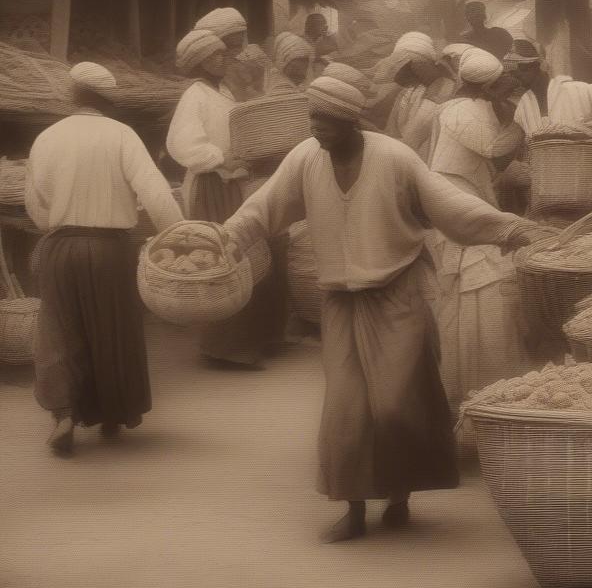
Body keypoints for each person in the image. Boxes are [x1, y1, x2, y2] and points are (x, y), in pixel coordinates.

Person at [224, 75, 548, 541]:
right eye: (312, 119)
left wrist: (509, 229)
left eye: (326, 121)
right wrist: (230, 238)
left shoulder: (394, 157)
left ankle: (399, 495)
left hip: (399, 289)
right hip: (340, 299)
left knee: (398, 403)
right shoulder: (305, 159)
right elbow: (264, 207)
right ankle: (353, 509)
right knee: (346, 409)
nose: (316, 128)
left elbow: (450, 205)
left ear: (349, 121)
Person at [26, 62, 183, 455]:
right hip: (111, 248)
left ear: (74, 95)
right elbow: (156, 193)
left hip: (60, 245)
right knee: (112, 329)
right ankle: (112, 414)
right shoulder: (122, 136)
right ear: (107, 100)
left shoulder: (47, 138)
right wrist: (179, 235)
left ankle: (63, 413)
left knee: (60, 330)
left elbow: (36, 204)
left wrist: (57, 224)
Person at [166, 29, 276, 367]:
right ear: (198, 61)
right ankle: (222, 346)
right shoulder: (195, 96)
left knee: (240, 255)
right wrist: (220, 157)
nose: (221, 58)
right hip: (212, 186)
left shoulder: (223, 92)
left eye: (221, 53)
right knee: (219, 259)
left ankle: (242, 342)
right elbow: (182, 145)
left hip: (231, 185)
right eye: (213, 55)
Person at [429, 49, 530, 415]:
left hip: (466, 192)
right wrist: (521, 123)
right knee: (478, 280)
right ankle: (475, 383)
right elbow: (493, 148)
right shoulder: (461, 110)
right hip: (455, 197)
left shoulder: (473, 106)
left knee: (473, 284)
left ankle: (476, 381)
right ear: (487, 85)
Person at [506, 39, 592, 137]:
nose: (515, 76)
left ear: (535, 65)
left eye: (520, 70)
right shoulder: (523, 107)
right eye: (512, 73)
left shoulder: (577, 90)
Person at [383, 32, 454, 160]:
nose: (405, 71)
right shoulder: (407, 91)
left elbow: (412, 140)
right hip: (403, 155)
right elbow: (391, 130)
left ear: (424, 63)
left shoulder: (444, 89)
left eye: (410, 65)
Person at [195, 7, 264, 102]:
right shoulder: (198, 92)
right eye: (229, 46)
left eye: (239, 45)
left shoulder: (249, 77)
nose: (236, 53)